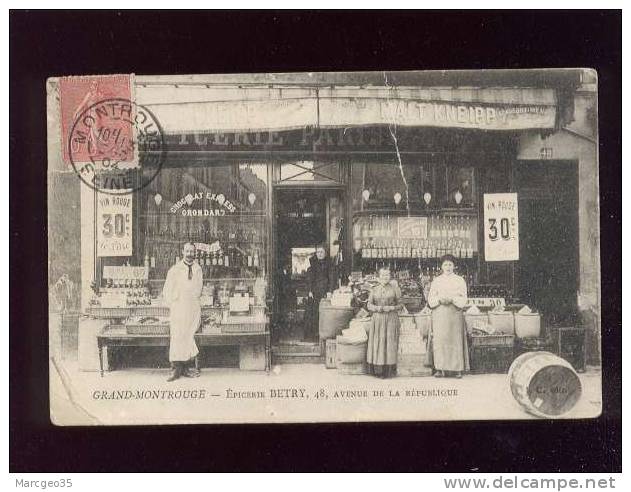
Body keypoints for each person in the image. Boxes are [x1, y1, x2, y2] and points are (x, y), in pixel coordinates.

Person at [162, 242, 203, 382]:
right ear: (183, 252)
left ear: (195, 253)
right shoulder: (175, 270)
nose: (190, 254)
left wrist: (194, 302)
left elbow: (199, 289)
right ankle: (175, 369)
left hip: (192, 308)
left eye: (192, 251)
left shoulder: (198, 269)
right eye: (187, 251)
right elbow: (167, 290)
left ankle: (185, 368)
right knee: (177, 337)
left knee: (188, 337)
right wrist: (174, 303)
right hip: (179, 309)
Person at [427, 254, 469, 378]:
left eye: (450, 264)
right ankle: (440, 369)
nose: (448, 267)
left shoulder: (460, 280)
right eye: (445, 264)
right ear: (441, 266)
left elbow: (463, 297)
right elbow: (431, 298)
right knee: (440, 340)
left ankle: (457, 370)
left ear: (454, 266)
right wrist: (439, 299)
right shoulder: (437, 280)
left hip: (454, 312)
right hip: (440, 313)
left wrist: (452, 299)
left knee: (455, 340)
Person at [366, 267, 403, 378]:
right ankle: (377, 370)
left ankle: (389, 371)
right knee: (378, 343)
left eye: (387, 275)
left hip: (391, 318)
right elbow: (369, 305)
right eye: (382, 275)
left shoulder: (395, 288)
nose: (385, 278)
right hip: (377, 319)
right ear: (378, 277)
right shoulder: (374, 289)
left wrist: (391, 308)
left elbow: (401, 304)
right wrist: (378, 308)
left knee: (389, 343)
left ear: (390, 276)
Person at [305, 244, 337, 341]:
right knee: (314, 312)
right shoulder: (312, 263)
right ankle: (314, 335)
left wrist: (330, 291)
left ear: (325, 253)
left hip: (324, 291)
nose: (319, 254)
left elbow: (332, 278)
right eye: (318, 252)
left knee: (324, 313)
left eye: (321, 252)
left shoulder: (330, 264)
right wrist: (309, 290)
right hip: (314, 291)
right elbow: (309, 278)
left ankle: (322, 335)